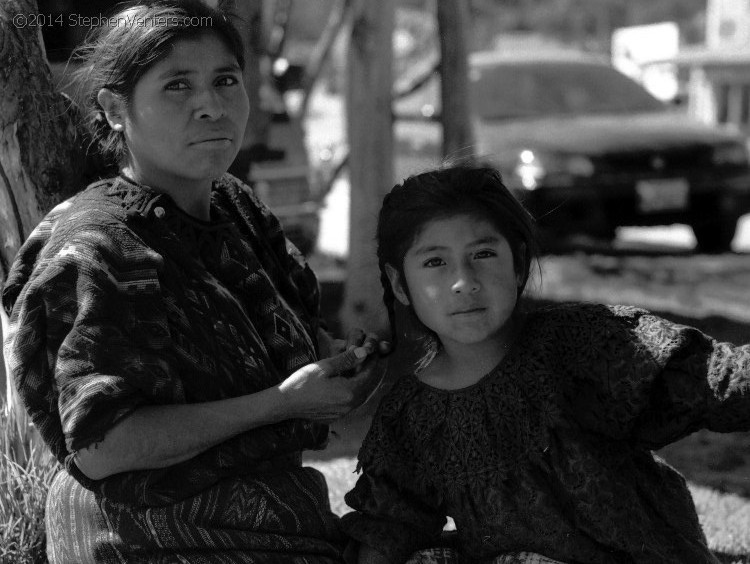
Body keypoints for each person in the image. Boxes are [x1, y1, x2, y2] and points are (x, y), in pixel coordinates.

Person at [2, 2, 387, 562]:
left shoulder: (235, 208)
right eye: (177, 85)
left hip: (274, 526)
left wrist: (334, 363)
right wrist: (280, 404)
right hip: (149, 540)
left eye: (225, 80)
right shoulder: (100, 247)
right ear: (114, 109)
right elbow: (101, 447)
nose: (211, 105)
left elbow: (278, 334)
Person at [340, 164, 750, 564]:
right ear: (399, 284)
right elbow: (390, 527)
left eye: (483, 253)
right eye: (434, 262)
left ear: (517, 263)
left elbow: (715, 380)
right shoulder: (411, 416)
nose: (463, 280)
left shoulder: (584, 345)